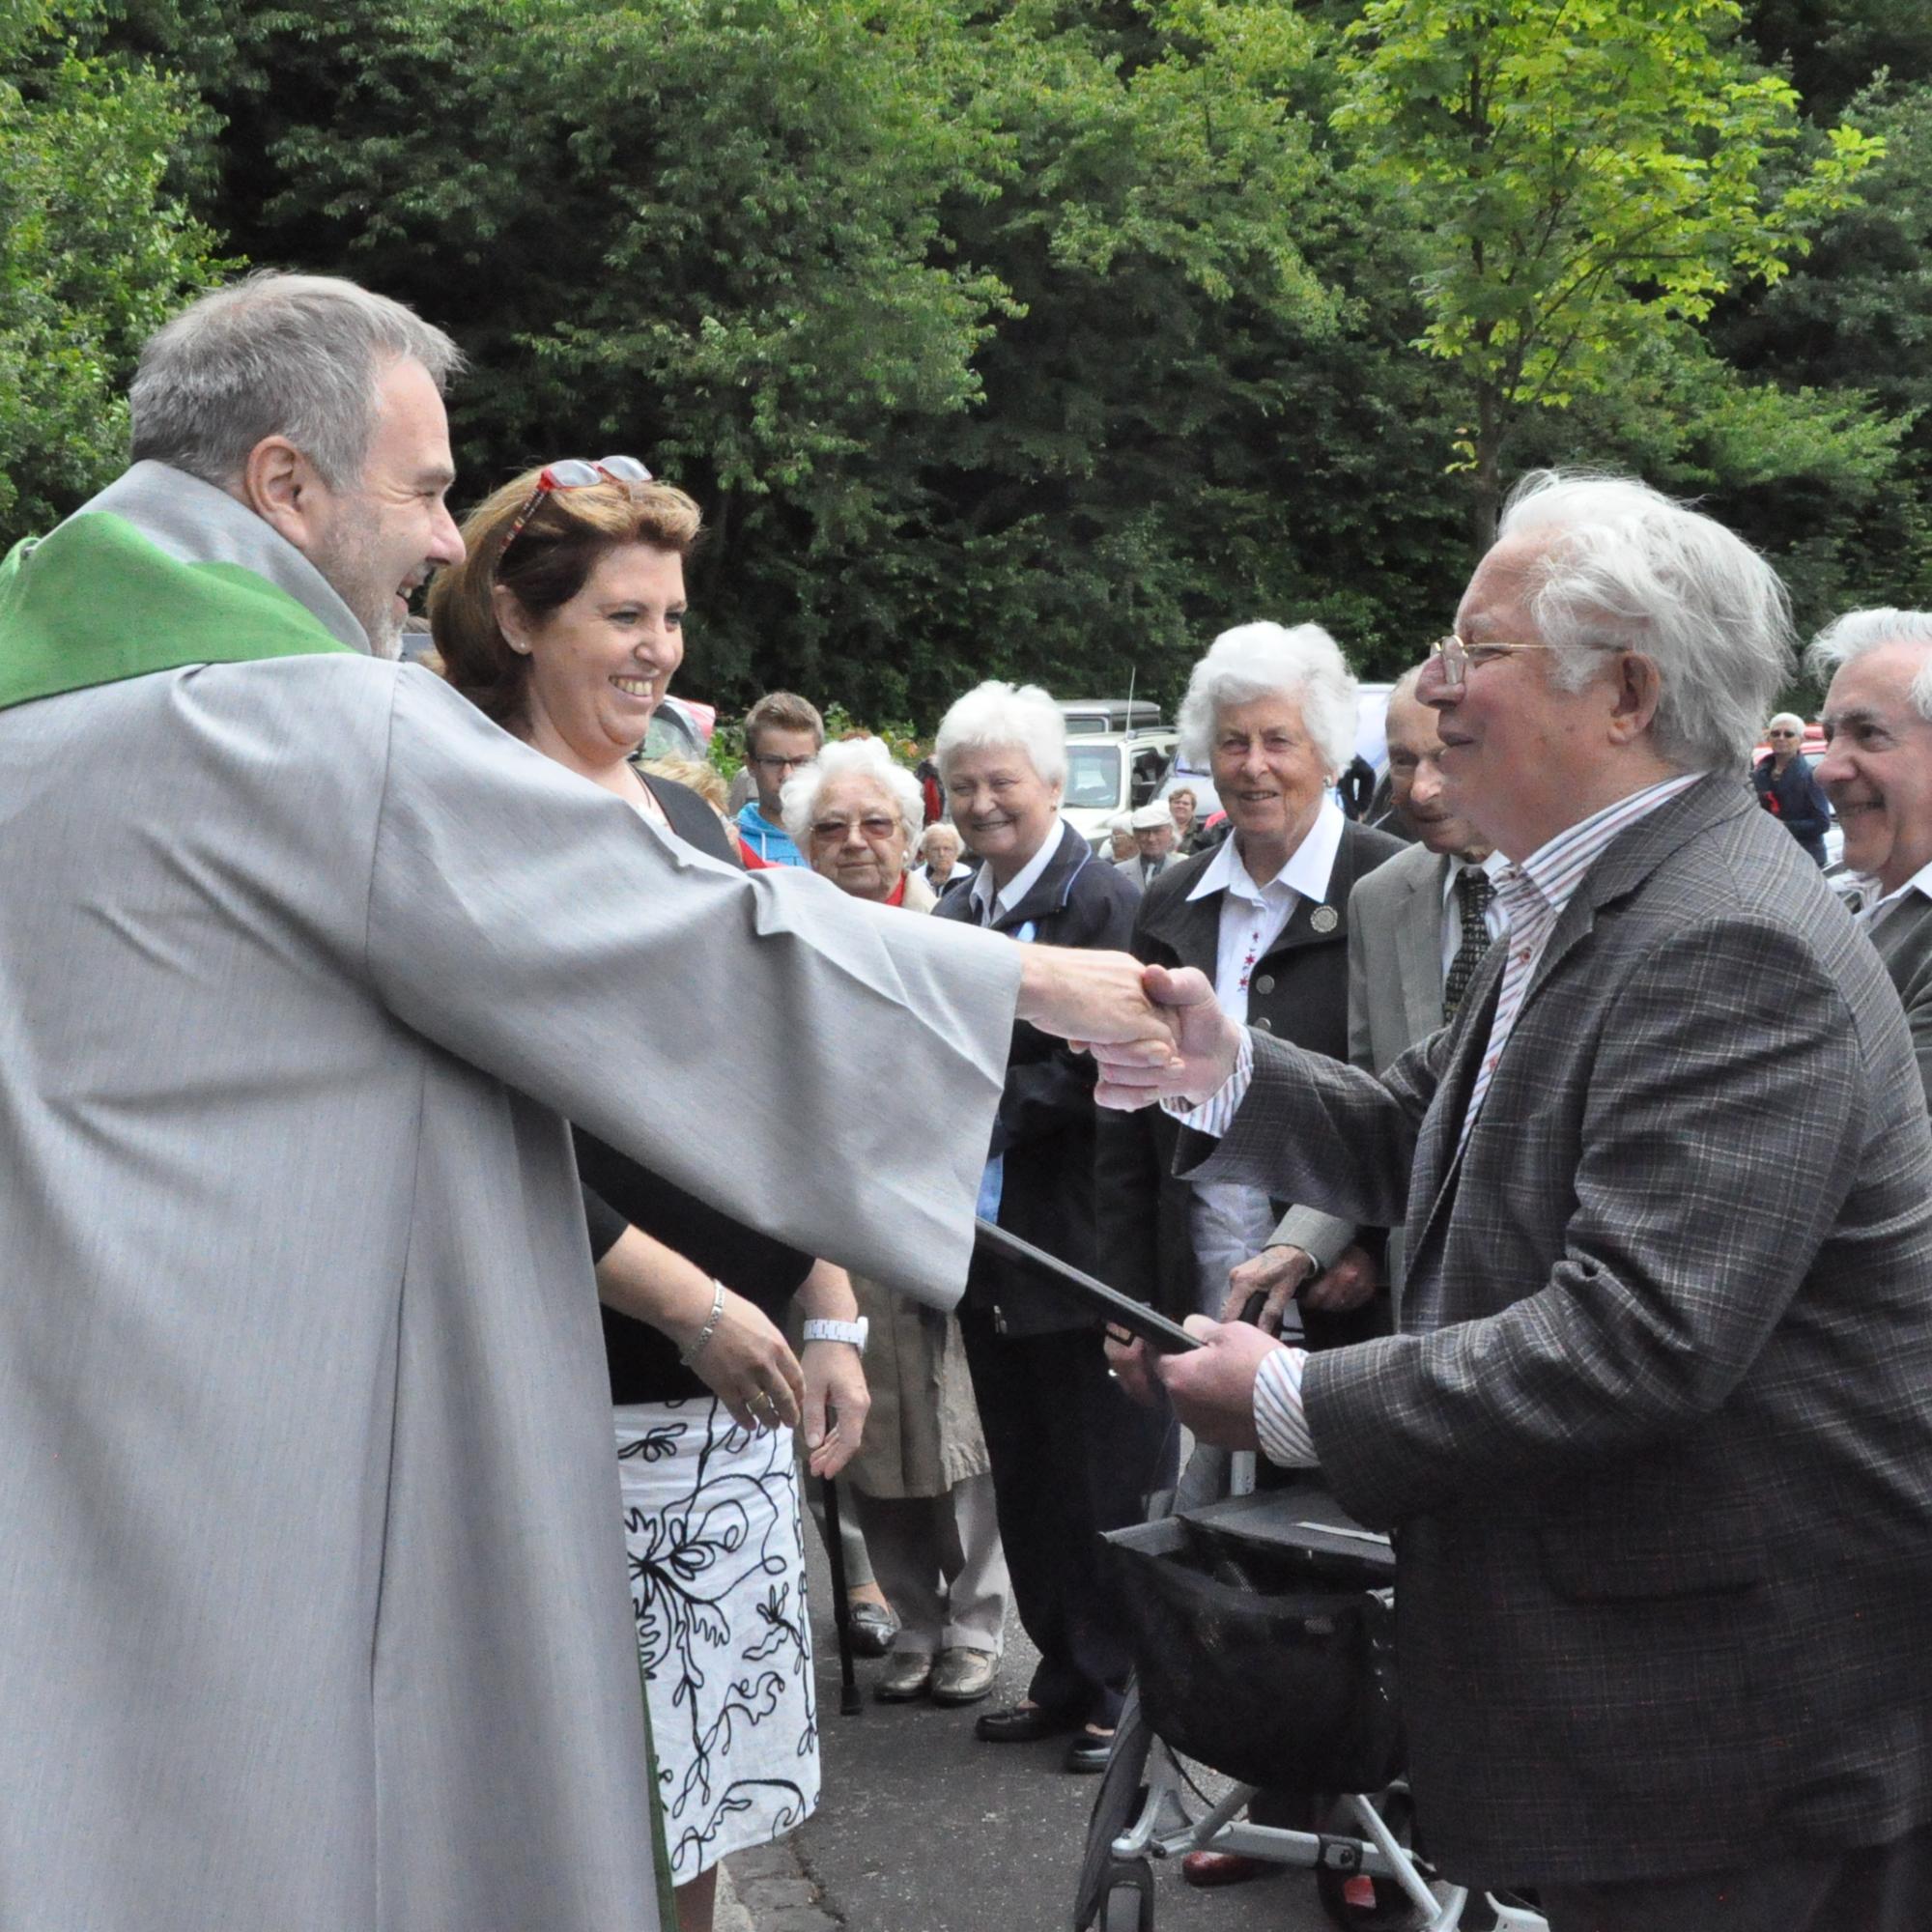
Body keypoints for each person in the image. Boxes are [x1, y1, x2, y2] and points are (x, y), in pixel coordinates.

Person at [0, 270, 1179, 1932]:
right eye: (419, 493)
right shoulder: (301, 727)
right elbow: (680, 943)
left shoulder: (38, 685)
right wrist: (1033, 987)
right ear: (280, 483)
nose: (435, 545)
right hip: (292, 1455)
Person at [1115, 471, 1932, 1931]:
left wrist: (1296, 1401)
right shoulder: (1590, 899)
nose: (1429, 692)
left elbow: (1638, 1339)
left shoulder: (1729, 940)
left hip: (1724, 1740)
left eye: (1471, 650)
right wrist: (1223, 1069)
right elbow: (1428, 1132)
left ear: (1624, 691)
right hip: (1654, 1720)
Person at [430, 462, 878, 1929]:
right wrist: (690, 1306)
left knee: (705, 1802)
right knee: (563, 1797)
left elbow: (764, 1095)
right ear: (514, 612)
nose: (658, 648)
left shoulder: (688, 829)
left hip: (729, 1405)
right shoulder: (465, 820)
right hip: (559, 1393)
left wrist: (829, 1306)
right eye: (623, 613)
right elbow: (475, 1131)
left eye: (673, 616)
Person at [932, 681, 1174, 1774]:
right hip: (983, 1249)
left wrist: (962, 1114)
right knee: (1024, 1474)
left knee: (1101, 1476)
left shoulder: (1106, 903)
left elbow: (1097, 1066)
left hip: (1079, 1238)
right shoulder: (951, 911)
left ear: (1048, 785)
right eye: (965, 782)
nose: (983, 802)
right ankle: (1062, 1669)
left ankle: (1119, 1687)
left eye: (1002, 782)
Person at [784, 738, 1009, 1707]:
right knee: (870, 1438)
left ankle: (976, 1622)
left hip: (945, 1211)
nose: (854, 842)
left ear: (913, 836)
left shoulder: (947, 932)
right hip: (840, 1218)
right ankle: (913, 1619)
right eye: (830, 827)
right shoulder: (789, 937)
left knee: (961, 1430)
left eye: (876, 823)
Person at [1096, 624, 1403, 1337]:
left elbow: (1420, 1093)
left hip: (1347, 1309)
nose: (1253, 766)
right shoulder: (1169, 900)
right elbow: (1124, 1124)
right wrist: (1129, 1299)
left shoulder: (1390, 885)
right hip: (1199, 1293)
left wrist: (1372, 1249)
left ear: (1327, 755)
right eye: (1234, 743)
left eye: (1279, 740)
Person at [1227, 666, 1506, 1336]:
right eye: (1404, 760)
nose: (1423, 788)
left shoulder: (1573, 892)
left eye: (1446, 756)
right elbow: (1379, 1106)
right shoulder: (1381, 899)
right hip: (1422, 1302)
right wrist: (1303, 1242)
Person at [1809, 608, 1932, 1106]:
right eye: (1830, 733)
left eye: (1868, 734)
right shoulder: (1829, 888)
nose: (1827, 770)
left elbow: (1867, 1145)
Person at [735, 689, 824, 863]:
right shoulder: (728, 841)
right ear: (751, 764)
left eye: (801, 762)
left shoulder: (839, 838)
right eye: (773, 761)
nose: (787, 775)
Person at [1751, 707, 1833, 866]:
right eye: (1775, 734)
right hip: (1771, 856)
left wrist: (1784, 826)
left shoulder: (1810, 776)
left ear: (1800, 740)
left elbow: (1822, 823)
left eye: (1788, 734)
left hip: (1806, 858)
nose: (1781, 738)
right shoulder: (1759, 774)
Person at [1127, 799, 1184, 888]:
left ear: (1170, 833)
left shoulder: (1183, 869)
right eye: (1144, 832)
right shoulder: (1119, 871)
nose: (1151, 839)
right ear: (1135, 835)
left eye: (1157, 831)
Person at [918, 819, 972, 894]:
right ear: (926, 852)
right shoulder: (915, 879)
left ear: (957, 851)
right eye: (935, 849)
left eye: (947, 849)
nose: (941, 854)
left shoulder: (969, 879)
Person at [1167, 784, 1200, 850]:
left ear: (1192, 809)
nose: (1180, 806)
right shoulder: (1160, 828)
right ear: (1169, 806)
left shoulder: (1201, 830)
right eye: (1177, 802)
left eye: (1185, 804)